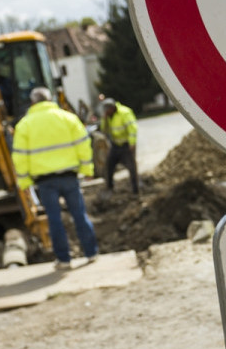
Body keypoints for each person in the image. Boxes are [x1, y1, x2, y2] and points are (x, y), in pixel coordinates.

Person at [12, 87, 98, 270]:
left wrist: (24, 182)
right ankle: (91, 253)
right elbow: (83, 144)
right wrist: (87, 169)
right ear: (50, 99)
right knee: (79, 215)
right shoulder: (68, 118)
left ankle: (64, 260)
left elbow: (20, 156)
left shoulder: (24, 125)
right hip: (69, 176)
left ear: (33, 102)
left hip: (45, 181)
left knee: (54, 220)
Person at [99, 98, 139, 194]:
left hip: (126, 145)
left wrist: (132, 143)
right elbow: (104, 130)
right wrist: (104, 120)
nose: (106, 112)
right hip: (115, 145)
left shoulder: (124, 113)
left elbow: (132, 128)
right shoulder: (108, 116)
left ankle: (136, 190)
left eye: (107, 110)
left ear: (112, 108)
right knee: (109, 166)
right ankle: (110, 187)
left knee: (131, 168)